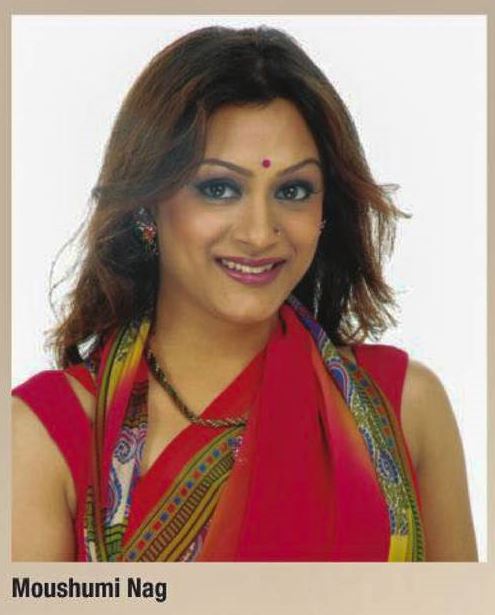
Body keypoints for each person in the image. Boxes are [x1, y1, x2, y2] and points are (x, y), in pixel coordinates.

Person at [12, 25, 477, 562]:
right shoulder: (46, 437)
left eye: (293, 190)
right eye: (219, 188)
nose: (259, 233)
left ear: (326, 211)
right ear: (145, 207)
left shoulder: (405, 409)